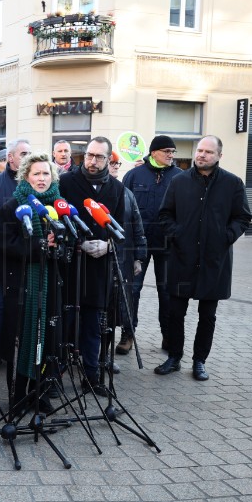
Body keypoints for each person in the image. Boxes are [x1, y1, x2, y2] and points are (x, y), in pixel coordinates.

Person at [154, 136, 251, 381]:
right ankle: (174, 357)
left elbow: (242, 217)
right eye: (199, 150)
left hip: (213, 262)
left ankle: (199, 361)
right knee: (175, 312)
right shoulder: (179, 181)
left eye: (208, 151)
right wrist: (177, 234)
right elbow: (165, 214)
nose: (202, 155)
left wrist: (226, 236)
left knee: (207, 315)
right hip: (182, 258)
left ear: (219, 155)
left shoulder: (233, 183)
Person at [59, 136, 125, 394]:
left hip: (99, 268)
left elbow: (122, 230)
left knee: (92, 325)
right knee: (65, 321)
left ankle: (91, 376)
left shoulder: (117, 190)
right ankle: (55, 375)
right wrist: (77, 244)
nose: (92, 161)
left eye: (99, 156)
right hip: (70, 265)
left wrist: (108, 246)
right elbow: (57, 220)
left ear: (109, 159)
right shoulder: (66, 182)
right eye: (89, 155)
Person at [0, 152, 62, 414]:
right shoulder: (11, 206)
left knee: (47, 339)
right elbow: (5, 245)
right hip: (22, 285)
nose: (42, 178)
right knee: (24, 339)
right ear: (26, 176)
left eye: (46, 173)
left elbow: (68, 243)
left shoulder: (59, 206)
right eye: (36, 173)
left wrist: (61, 244)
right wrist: (39, 245)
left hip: (51, 284)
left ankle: (40, 393)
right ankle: (18, 396)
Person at [119, 135, 182, 353]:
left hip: (168, 246)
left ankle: (168, 335)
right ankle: (127, 334)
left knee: (167, 292)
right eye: (167, 151)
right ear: (154, 152)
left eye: (173, 152)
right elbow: (122, 208)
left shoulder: (180, 177)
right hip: (138, 246)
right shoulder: (134, 175)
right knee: (132, 290)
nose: (171, 155)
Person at [0, 139, 32, 371]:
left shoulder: (35, 183)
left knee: (24, 305)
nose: (27, 157)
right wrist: (5, 236)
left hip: (28, 258)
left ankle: (21, 347)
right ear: (10, 158)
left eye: (30, 153)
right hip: (0, 258)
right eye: (23, 153)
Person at [107, 153, 147, 357]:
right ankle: (103, 344)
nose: (114, 166)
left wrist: (139, 256)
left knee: (127, 298)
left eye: (117, 163)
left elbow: (137, 225)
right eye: (111, 162)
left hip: (125, 254)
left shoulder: (126, 193)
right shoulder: (95, 191)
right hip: (103, 254)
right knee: (106, 300)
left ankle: (127, 335)